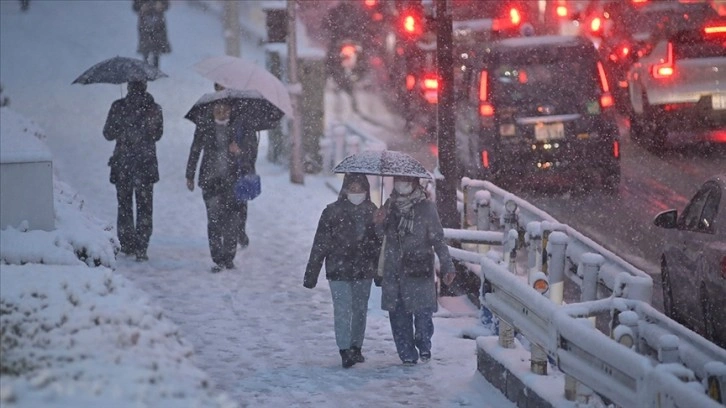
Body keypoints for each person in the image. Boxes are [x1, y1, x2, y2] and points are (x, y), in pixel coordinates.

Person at [374, 176, 456, 366]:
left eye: (406, 182)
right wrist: (379, 222)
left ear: (414, 184)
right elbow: (381, 238)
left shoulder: (426, 208)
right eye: (398, 181)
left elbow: (438, 240)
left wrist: (447, 266)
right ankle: (407, 354)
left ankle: (424, 343)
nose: (401, 185)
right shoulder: (389, 205)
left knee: (423, 315)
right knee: (398, 317)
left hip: (418, 268)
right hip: (394, 270)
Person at [303, 174, 381, 368]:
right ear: (345, 189)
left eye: (360, 189)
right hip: (339, 269)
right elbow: (320, 244)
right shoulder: (331, 212)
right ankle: (345, 349)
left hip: (364, 270)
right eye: (352, 189)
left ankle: (356, 346)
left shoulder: (373, 211)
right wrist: (311, 274)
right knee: (342, 310)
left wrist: (381, 224)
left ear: (366, 190)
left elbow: (380, 244)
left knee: (360, 310)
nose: (356, 193)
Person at [103, 80, 163, 262]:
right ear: (146, 87)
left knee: (124, 206)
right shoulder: (154, 108)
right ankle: (142, 246)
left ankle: (127, 243)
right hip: (145, 164)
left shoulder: (118, 107)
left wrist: (121, 125)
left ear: (128, 87)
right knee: (145, 207)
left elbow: (107, 134)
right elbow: (158, 135)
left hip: (123, 163)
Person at [186, 100, 242, 273]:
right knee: (214, 219)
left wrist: (240, 150)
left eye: (225, 109)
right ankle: (217, 258)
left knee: (232, 221)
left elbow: (250, 151)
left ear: (231, 110)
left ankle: (229, 257)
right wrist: (190, 174)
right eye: (217, 109)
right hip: (210, 180)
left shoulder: (237, 128)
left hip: (232, 181)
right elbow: (195, 149)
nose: (221, 112)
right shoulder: (204, 126)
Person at [212, 83, 257, 248]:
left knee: (239, 202)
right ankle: (233, 232)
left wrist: (241, 153)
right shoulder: (214, 110)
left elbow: (251, 144)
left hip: (239, 166)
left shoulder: (242, 115)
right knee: (229, 202)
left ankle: (238, 231)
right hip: (225, 168)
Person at [133, 0, 170, 68]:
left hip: (158, 24)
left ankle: (155, 68)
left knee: (156, 48)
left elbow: (166, 4)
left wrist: (161, 5)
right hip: (145, 23)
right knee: (146, 48)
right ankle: (146, 68)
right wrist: (141, 7)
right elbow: (135, 6)